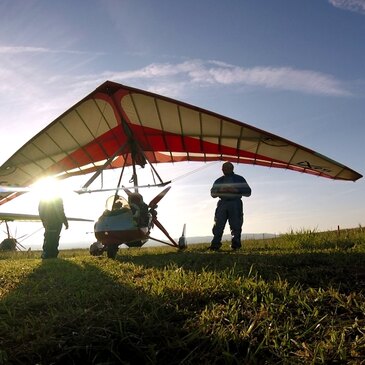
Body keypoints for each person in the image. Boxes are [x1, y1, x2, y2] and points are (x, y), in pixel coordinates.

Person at [209, 162, 251, 251]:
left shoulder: (239, 179)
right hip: (222, 203)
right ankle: (215, 245)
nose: (225, 170)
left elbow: (248, 192)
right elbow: (213, 194)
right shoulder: (219, 180)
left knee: (236, 225)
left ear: (232, 168)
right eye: (223, 168)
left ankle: (236, 245)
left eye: (227, 168)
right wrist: (220, 190)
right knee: (218, 225)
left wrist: (236, 190)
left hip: (235, 203)